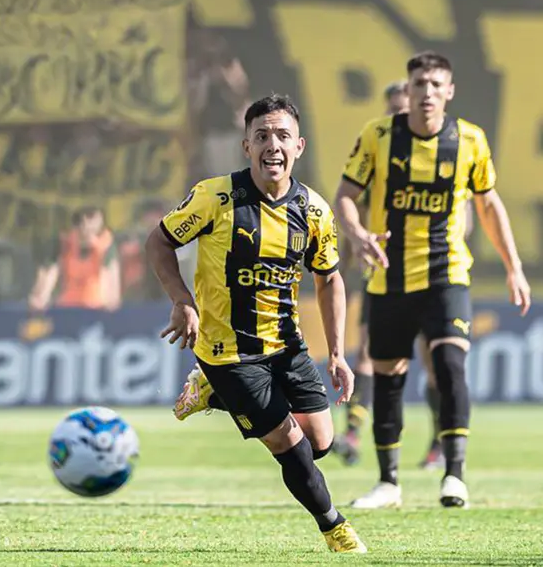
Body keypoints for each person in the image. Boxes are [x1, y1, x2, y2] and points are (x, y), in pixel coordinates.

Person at [149, 94, 366, 553]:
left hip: (287, 345)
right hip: (227, 350)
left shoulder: (313, 211)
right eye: (262, 136)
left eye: (283, 136)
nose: (273, 145)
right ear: (246, 145)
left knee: (320, 441)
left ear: (299, 146)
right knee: (291, 445)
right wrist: (182, 300)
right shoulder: (215, 197)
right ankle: (335, 528)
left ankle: (210, 393)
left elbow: (329, 280)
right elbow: (160, 241)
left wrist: (339, 354)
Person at [334, 51, 531, 510]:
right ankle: (388, 482)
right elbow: (346, 194)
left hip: (447, 273)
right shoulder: (378, 136)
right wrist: (358, 233)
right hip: (389, 275)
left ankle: (454, 475)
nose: (426, 93)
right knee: (387, 375)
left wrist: (513, 266)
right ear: (409, 88)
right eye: (419, 83)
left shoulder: (469, 141)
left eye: (435, 84)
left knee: (450, 366)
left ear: (449, 91)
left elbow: (488, 205)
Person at [333, 79, 469, 471]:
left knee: (434, 361)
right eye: (392, 108)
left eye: (403, 107)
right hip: (382, 273)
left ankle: (439, 441)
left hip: (432, 274)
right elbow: (350, 208)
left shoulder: (441, 157)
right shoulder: (376, 154)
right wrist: (349, 254)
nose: (398, 115)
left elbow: (467, 216)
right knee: (368, 352)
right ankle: (355, 433)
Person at [27, 206, 121, 311]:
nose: (90, 227)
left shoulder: (106, 246)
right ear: (78, 224)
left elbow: (112, 276)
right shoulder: (65, 243)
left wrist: (112, 303)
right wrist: (41, 297)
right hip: (67, 308)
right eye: (87, 219)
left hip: (97, 308)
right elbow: (50, 271)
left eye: (96, 222)